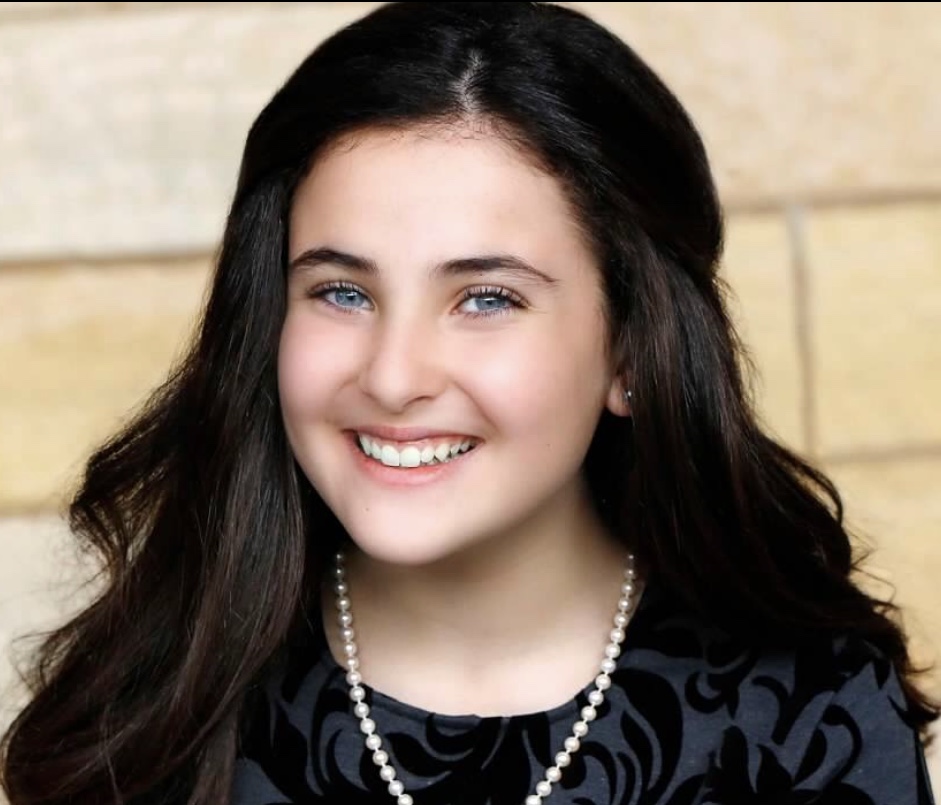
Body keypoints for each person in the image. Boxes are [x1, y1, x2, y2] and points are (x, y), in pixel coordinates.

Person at [2, 2, 937, 803]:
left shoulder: (809, 714)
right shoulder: (147, 715)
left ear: (632, 350)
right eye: (341, 291)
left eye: (486, 298)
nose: (393, 375)